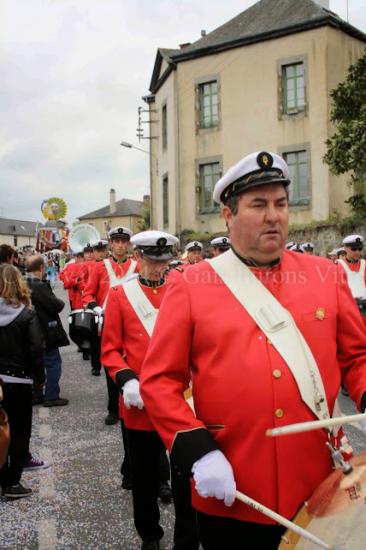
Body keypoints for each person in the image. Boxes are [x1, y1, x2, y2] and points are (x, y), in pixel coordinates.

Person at [140, 151, 366, 549]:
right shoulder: (190, 284)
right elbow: (159, 381)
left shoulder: (325, 275)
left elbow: (357, 358)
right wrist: (196, 450)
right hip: (232, 483)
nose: (273, 215)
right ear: (228, 216)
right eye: (258, 205)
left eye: (280, 204)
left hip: (319, 483)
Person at [102, 231, 198, 550]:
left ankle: (186, 538)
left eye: (165, 261)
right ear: (138, 258)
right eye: (153, 261)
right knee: (143, 478)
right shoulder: (120, 295)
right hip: (139, 399)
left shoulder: (183, 292)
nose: (160, 268)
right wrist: (127, 379)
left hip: (181, 399)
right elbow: (111, 350)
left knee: (187, 474)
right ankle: (150, 535)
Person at [83, 226, 137, 424]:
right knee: (111, 365)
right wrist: (96, 308)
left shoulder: (136, 266)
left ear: (128, 244)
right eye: (117, 241)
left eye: (124, 241)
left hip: (131, 322)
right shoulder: (99, 267)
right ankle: (113, 407)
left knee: (132, 363)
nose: (121, 245)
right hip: (107, 321)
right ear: (111, 244)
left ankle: (130, 402)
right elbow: (87, 293)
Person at [0, 264, 45, 498]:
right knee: (19, 433)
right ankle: (11, 482)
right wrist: (40, 378)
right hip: (18, 380)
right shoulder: (27, 314)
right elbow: (37, 348)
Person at [25, 255, 69, 407]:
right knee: (52, 363)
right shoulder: (38, 285)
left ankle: (36, 394)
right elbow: (56, 305)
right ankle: (51, 396)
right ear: (42, 268)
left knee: (35, 364)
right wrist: (60, 301)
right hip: (45, 330)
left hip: (30, 331)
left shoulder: (23, 282)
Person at [337, 235, 366, 326]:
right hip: (349, 314)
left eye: (360, 249)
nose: (357, 252)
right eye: (354, 249)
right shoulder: (338, 266)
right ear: (345, 248)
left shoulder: (365, 264)